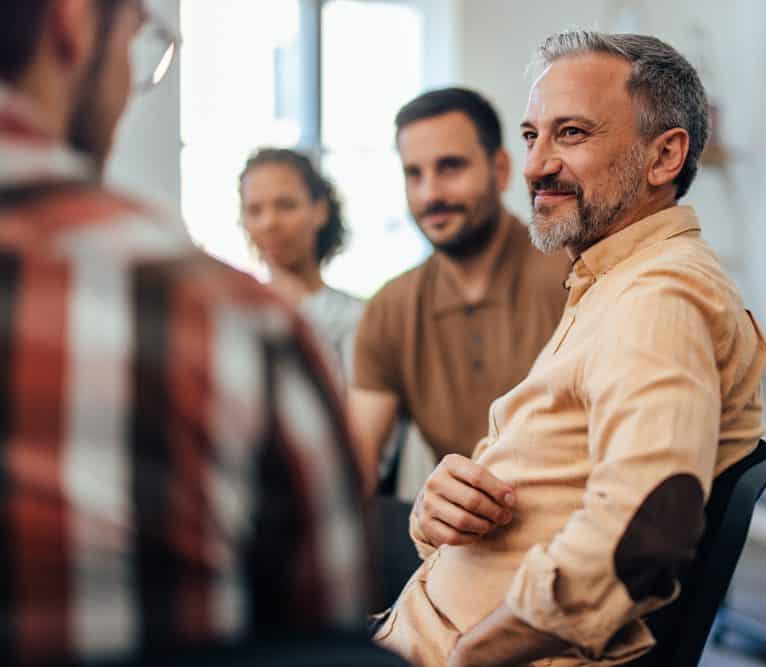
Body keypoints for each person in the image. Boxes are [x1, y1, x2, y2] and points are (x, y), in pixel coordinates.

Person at [376, 31, 766, 667]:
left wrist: (472, 654)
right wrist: (438, 507)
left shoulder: (659, 297)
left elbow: (645, 534)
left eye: (572, 134)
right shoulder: (609, 282)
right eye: (533, 135)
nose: (534, 165)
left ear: (664, 156)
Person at [0, 1, 369, 663]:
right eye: (140, 40)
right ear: (74, 22)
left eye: (286, 203)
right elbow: (325, 633)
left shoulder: (330, 316)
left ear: (320, 209)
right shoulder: (227, 325)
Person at [350, 87, 569, 495]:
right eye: (414, 174)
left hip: (571, 529)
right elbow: (354, 465)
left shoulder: (575, 277)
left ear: (501, 170)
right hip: (454, 539)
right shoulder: (390, 308)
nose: (430, 194)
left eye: (450, 167)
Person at [239, 147, 364, 379]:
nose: (269, 222)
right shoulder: (234, 315)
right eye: (254, 210)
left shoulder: (359, 318)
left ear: (320, 210)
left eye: (286, 205)